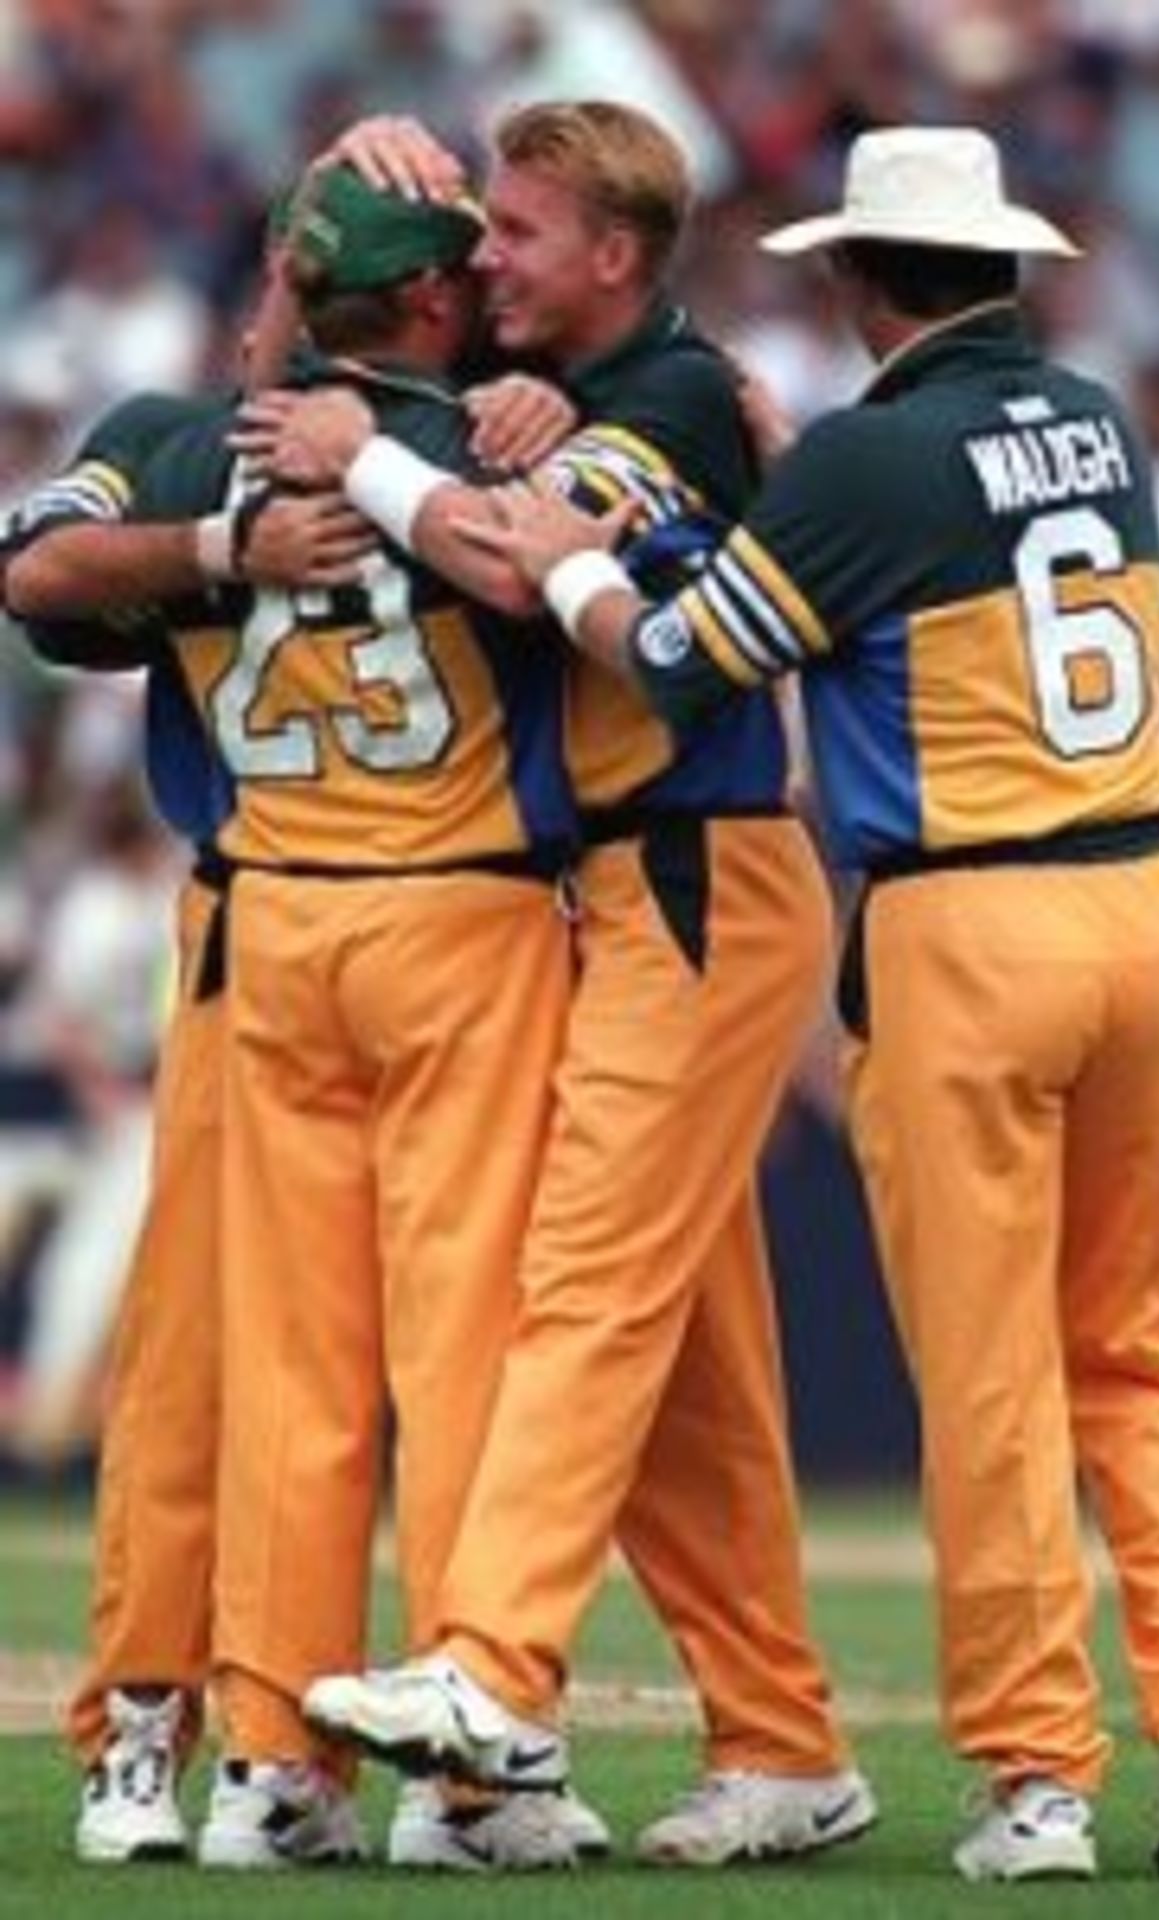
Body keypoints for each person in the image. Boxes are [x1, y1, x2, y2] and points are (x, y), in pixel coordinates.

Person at [434, 125, 1159, 1884]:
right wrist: (792, 471)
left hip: (967, 927)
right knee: (1143, 1345)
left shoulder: (864, 461)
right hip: (1147, 903)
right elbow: (928, 543)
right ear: (1005, 266)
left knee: (991, 1379)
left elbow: (681, 660)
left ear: (858, 276)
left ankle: (1041, 1781)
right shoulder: (1101, 420)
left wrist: (567, 556)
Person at [255, 101, 874, 1868]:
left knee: (585, 1280)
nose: (484, 258)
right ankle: (784, 1747)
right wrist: (349, 214)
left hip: (692, 872)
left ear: (614, 253)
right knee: (690, 1367)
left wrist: (381, 451)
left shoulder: (677, 397)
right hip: (621, 885)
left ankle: (493, 1669)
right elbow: (317, 388)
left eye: (517, 233)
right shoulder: (567, 385)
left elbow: (523, 563)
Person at [6, 165, 603, 1874]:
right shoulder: (481, 445)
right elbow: (573, 572)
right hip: (462, 911)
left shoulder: (178, 442)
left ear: (292, 276)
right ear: (427, 299)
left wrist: (215, 545)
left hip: (271, 918)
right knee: (463, 1357)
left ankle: (270, 1760)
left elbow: (32, 567)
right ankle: (466, 1777)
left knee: (283, 1374)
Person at [1, 382, 370, 1864]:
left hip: (433, 921)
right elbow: (33, 569)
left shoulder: (466, 426)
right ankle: (157, 1720)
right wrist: (224, 542)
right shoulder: (175, 435)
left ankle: (368, 1748)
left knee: (403, 1362)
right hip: (282, 911)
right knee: (197, 1354)